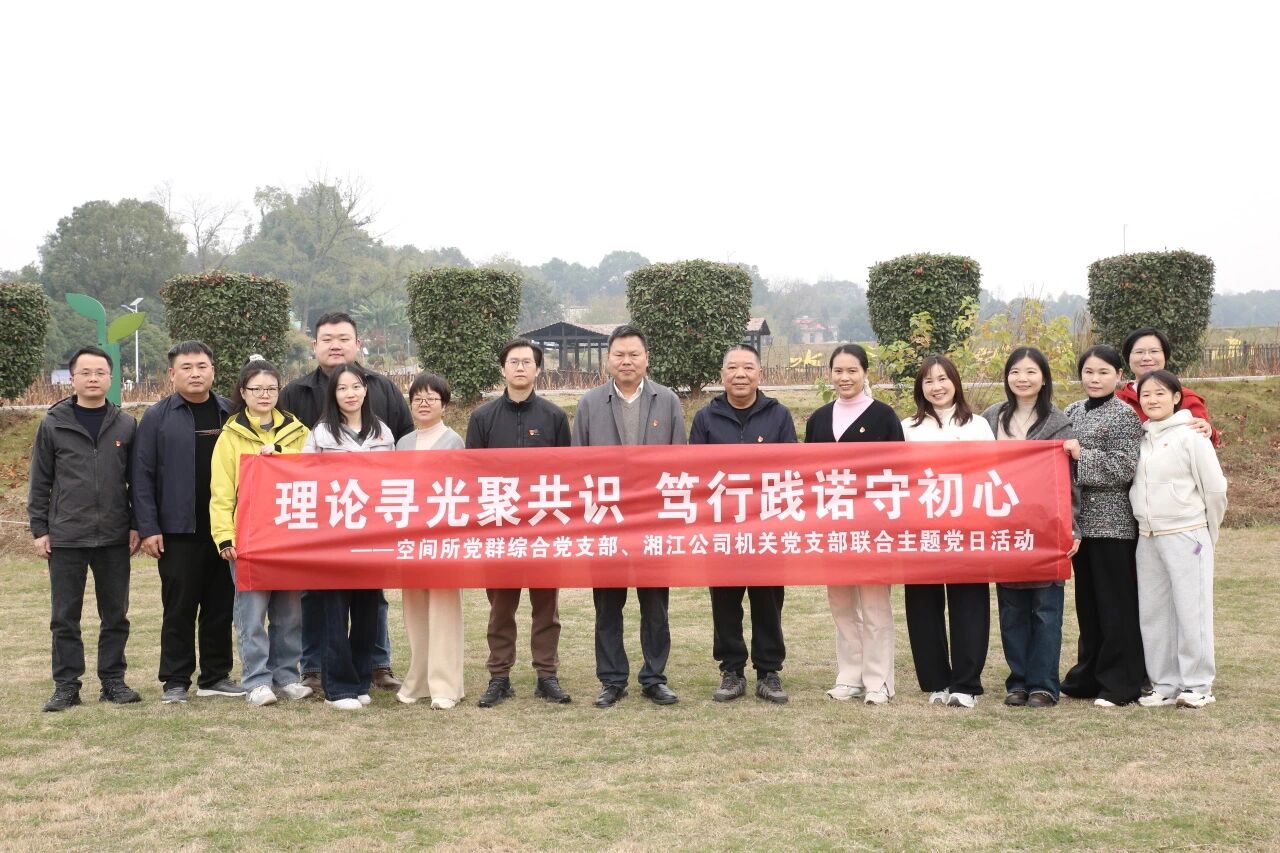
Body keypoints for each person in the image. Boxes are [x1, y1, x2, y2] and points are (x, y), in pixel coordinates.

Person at [280, 312, 412, 697]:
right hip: (324, 522)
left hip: (373, 523)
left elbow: (404, 447)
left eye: (343, 338)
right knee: (317, 595)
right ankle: (314, 668)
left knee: (372, 595)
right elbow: (291, 457)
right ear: (314, 345)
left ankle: (376, 665)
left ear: (358, 343)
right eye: (327, 339)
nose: (335, 345)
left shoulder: (383, 390)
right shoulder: (295, 393)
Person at [571, 325, 685, 709]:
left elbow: (680, 462)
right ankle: (612, 679)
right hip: (606, 522)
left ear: (646, 358)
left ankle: (654, 678)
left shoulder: (667, 401)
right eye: (619, 355)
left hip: (654, 522)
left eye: (634, 354)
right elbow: (577, 466)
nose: (626, 361)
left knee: (655, 606)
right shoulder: (590, 403)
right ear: (608, 360)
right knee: (607, 605)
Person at [28, 347, 141, 711]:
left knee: (115, 614)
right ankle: (66, 686)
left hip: (114, 534)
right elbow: (40, 481)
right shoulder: (53, 423)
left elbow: (137, 481)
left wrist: (136, 524)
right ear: (72, 378)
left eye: (100, 372)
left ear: (111, 378)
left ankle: (113, 681)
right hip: (66, 535)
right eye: (85, 373)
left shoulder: (125, 424)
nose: (93, 379)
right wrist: (39, 529)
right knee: (64, 616)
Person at [134, 342, 244, 704]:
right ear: (172, 374)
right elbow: (142, 475)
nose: (195, 373)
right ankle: (175, 679)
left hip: (225, 530)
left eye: (201, 366)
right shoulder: (157, 417)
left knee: (220, 606)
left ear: (213, 371)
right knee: (179, 607)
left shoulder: (231, 412)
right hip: (178, 530)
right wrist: (149, 527)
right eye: (186, 367)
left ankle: (216, 676)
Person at [466, 340, 573, 707]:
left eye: (528, 362)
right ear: (503, 369)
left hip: (543, 527)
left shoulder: (554, 416)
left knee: (546, 607)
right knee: (501, 607)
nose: (521, 368)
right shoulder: (482, 418)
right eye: (514, 362)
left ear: (538, 369)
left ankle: (547, 675)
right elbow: (472, 477)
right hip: (499, 527)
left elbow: (566, 474)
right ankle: (499, 676)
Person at [690, 344, 797, 704]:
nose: (740, 374)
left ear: (759, 374)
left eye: (748, 368)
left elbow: (791, 470)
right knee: (724, 600)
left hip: (767, 527)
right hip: (721, 528)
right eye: (733, 368)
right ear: (722, 375)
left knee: (768, 600)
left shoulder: (779, 415)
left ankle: (769, 671)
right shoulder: (706, 418)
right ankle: (731, 669)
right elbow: (694, 474)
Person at [804, 343, 903, 706]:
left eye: (852, 371)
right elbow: (808, 475)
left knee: (875, 606)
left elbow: (898, 473)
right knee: (842, 604)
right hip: (832, 526)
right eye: (838, 371)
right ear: (829, 374)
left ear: (865, 373)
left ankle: (879, 681)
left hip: (873, 527)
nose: (844, 378)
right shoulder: (818, 419)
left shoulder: (884, 416)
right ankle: (849, 676)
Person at [209, 359, 312, 707]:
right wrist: (224, 536)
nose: (264, 395)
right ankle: (256, 680)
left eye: (271, 388)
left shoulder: (297, 431)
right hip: (249, 537)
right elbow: (221, 492)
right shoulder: (231, 436)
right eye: (256, 389)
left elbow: (313, 469)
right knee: (251, 612)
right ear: (243, 392)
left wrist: (281, 454)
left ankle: (287, 676)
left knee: (290, 613)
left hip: (289, 535)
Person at [981, 347, 1079, 709]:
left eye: (1031, 372)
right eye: (1015, 372)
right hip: (1003, 525)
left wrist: (1074, 528)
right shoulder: (991, 418)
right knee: (1011, 609)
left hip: (1046, 526)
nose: (1022, 379)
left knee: (1045, 609)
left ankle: (1043, 685)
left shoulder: (1059, 421)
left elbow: (1071, 480)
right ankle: (1018, 682)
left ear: (1044, 377)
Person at [900, 355, 995, 708]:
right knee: (923, 604)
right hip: (920, 528)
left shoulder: (978, 426)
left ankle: (966, 684)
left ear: (955, 382)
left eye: (943, 379)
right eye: (928, 381)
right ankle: (936, 681)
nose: (936, 387)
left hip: (967, 527)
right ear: (920, 388)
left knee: (969, 602)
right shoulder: (907, 427)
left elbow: (993, 473)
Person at [1130, 370, 1227, 709]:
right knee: (1154, 613)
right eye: (1146, 395)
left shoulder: (1192, 435)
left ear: (1175, 397)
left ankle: (1198, 685)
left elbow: (1215, 490)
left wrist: (1206, 532)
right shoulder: (1142, 437)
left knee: (1191, 609)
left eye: (1160, 393)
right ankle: (1165, 684)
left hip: (1187, 533)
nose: (1152, 399)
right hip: (1148, 535)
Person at [302, 363, 397, 710]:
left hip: (372, 535)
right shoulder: (321, 434)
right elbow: (304, 479)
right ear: (333, 394)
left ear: (365, 390)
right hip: (334, 535)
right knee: (334, 610)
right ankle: (338, 688)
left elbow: (395, 482)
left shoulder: (382, 433)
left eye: (355, 386)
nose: (350, 394)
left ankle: (360, 681)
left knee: (368, 609)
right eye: (342, 388)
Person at [1060, 345, 1146, 708]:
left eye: (1103, 372)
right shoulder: (1071, 411)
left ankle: (1121, 682)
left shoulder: (1125, 414)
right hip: (1080, 524)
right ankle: (1089, 675)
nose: (1094, 379)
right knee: (1089, 605)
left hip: (1113, 524)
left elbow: (1126, 466)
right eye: (1089, 372)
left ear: (1119, 376)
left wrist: (1083, 455)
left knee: (1116, 605)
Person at [394, 372, 466, 710]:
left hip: (442, 537)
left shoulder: (454, 441)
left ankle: (445, 686)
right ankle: (419, 680)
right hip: (410, 538)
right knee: (415, 611)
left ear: (444, 404)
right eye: (417, 398)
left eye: (431, 398)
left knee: (444, 609)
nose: (424, 404)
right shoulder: (403, 443)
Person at [1118, 328, 1219, 445]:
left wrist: (1208, 430)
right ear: (1128, 358)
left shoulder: (1186, 398)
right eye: (1139, 352)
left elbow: (1207, 441)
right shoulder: (1118, 400)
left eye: (1154, 351)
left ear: (1165, 356)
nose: (1147, 357)